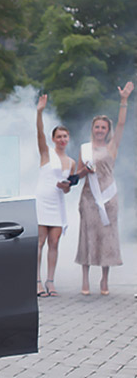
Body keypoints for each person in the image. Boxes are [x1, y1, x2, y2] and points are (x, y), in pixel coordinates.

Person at [75, 81, 133, 296]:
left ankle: (105, 279)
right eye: (97, 127)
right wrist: (85, 171)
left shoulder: (112, 146)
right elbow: (78, 174)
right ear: (93, 129)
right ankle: (85, 279)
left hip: (108, 197)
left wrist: (123, 100)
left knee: (106, 236)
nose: (100, 130)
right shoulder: (84, 149)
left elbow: (122, 124)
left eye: (103, 127)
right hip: (89, 197)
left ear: (107, 131)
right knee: (87, 236)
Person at [34, 94, 75, 297]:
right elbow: (39, 133)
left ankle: (51, 281)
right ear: (53, 139)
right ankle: (37, 281)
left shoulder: (71, 162)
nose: (62, 140)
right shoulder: (46, 153)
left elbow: (69, 188)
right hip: (43, 200)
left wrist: (65, 186)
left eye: (65, 136)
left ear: (68, 139)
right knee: (39, 242)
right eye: (59, 136)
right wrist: (40, 112)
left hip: (58, 203)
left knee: (54, 242)